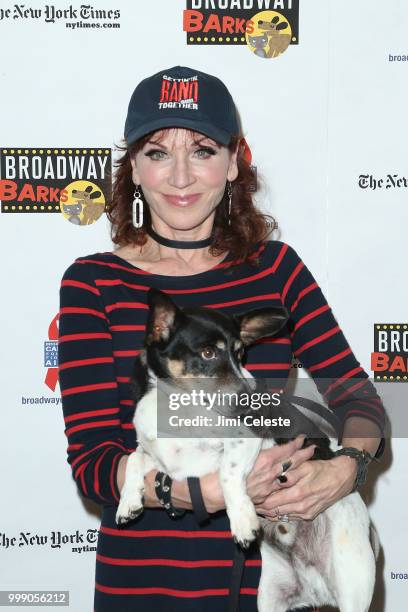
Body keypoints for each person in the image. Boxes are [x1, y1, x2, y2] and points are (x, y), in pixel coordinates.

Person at [58, 66, 385, 612]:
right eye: (158, 152)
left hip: (275, 579)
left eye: (204, 150)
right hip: (147, 584)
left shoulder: (276, 270)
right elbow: (94, 462)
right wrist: (213, 492)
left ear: (234, 163)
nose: (181, 176)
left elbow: (358, 397)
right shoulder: (94, 282)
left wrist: (345, 468)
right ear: (133, 168)